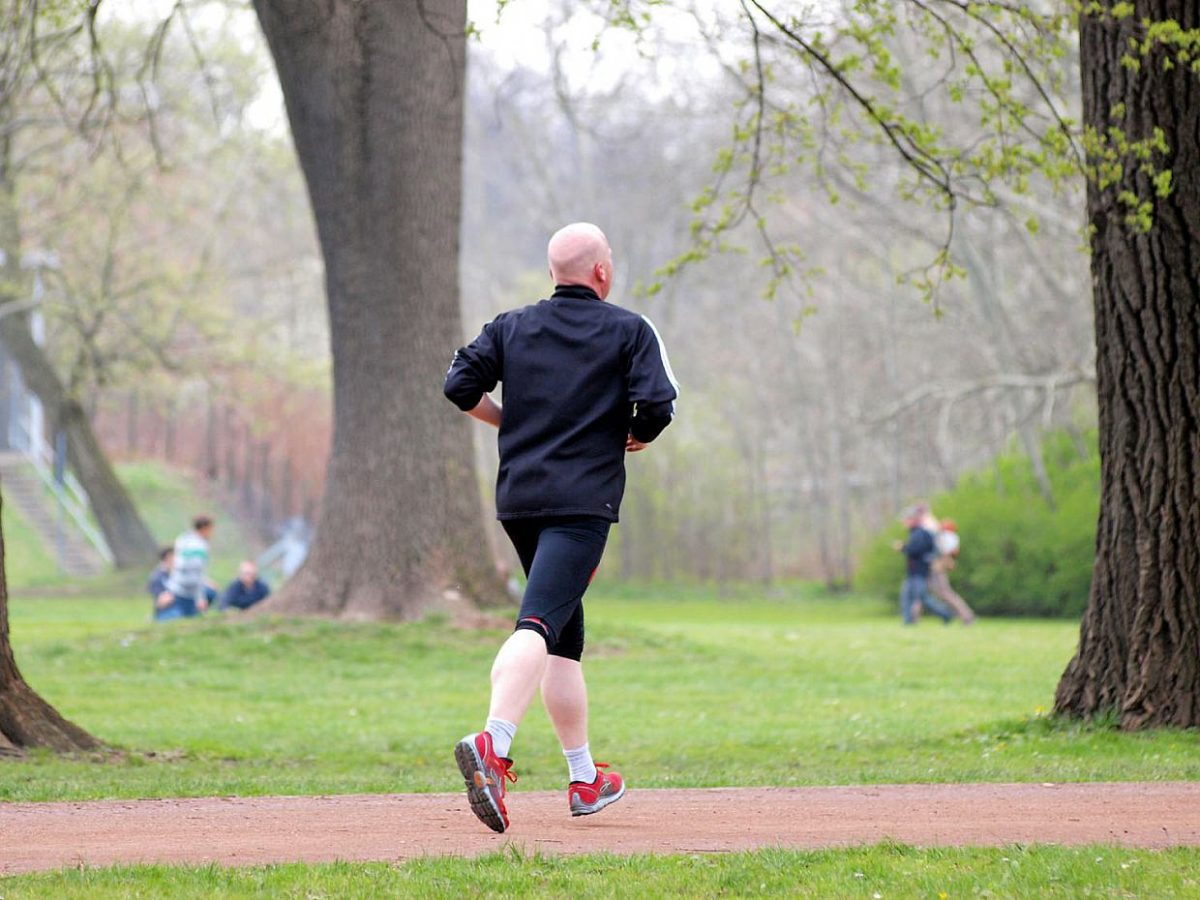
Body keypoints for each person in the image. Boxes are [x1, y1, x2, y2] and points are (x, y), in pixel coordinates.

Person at [443, 222, 678, 833]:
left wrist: (506, 423)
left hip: (520, 500)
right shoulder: (630, 329)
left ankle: (583, 780)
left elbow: (458, 384)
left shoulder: (510, 327)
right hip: (581, 506)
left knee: (562, 640)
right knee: (538, 622)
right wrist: (637, 436)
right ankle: (493, 743)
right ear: (602, 271)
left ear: (554, 272)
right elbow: (657, 405)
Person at [895, 503, 954, 625]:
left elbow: (917, 551)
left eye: (906, 520)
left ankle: (946, 614)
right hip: (914, 572)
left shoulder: (920, 533)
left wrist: (902, 548)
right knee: (906, 596)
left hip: (919, 571)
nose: (904, 523)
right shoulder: (916, 532)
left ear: (913, 519)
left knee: (923, 598)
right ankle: (908, 621)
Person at [159, 515, 216, 620]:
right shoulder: (200, 546)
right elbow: (195, 572)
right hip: (187, 592)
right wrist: (200, 597)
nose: (212, 532)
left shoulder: (182, 539)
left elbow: (177, 567)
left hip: (175, 588)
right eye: (211, 529)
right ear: (204, 528)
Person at [928, 518, 976, 624]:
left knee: (946, 593)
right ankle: (962, 615)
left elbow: (945, 551)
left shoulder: (948, 537)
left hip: (939, 566)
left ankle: (966, 616)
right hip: (940, 565)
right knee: (942, 593)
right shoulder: (952, 537)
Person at [148, 546, 176, 620]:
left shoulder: (175, 573)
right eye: (175, 556)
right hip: (166, 612)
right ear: (168, 557)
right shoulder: (157, 577)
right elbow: (160, 601)